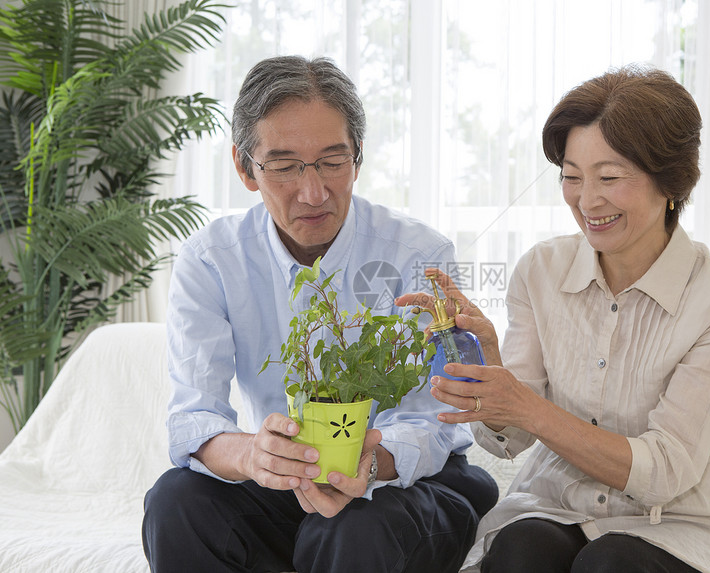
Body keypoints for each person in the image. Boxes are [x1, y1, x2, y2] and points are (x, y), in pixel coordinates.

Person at [398, 65, 710, 573]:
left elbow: (666, 470)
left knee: (611, 563)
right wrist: (490, 367)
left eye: (609, 178)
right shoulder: (540, 271)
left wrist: (528, 406)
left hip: (680, 521)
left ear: (670, 180)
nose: (586, 200)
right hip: (556, 505)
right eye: (571, 177)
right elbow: (508, 441)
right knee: (518, 553)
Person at [142, 55, 497, 573]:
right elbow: (194, 416)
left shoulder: (418, 253)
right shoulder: (211, 258)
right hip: (287, 481)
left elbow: (434, 417)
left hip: (404, 482)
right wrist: (253, 455)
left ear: (359, 157)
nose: (314, 193)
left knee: (353, 527)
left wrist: (370, 463)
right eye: (284, 167)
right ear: (245, 168)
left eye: (334, 161)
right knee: (176, 502)